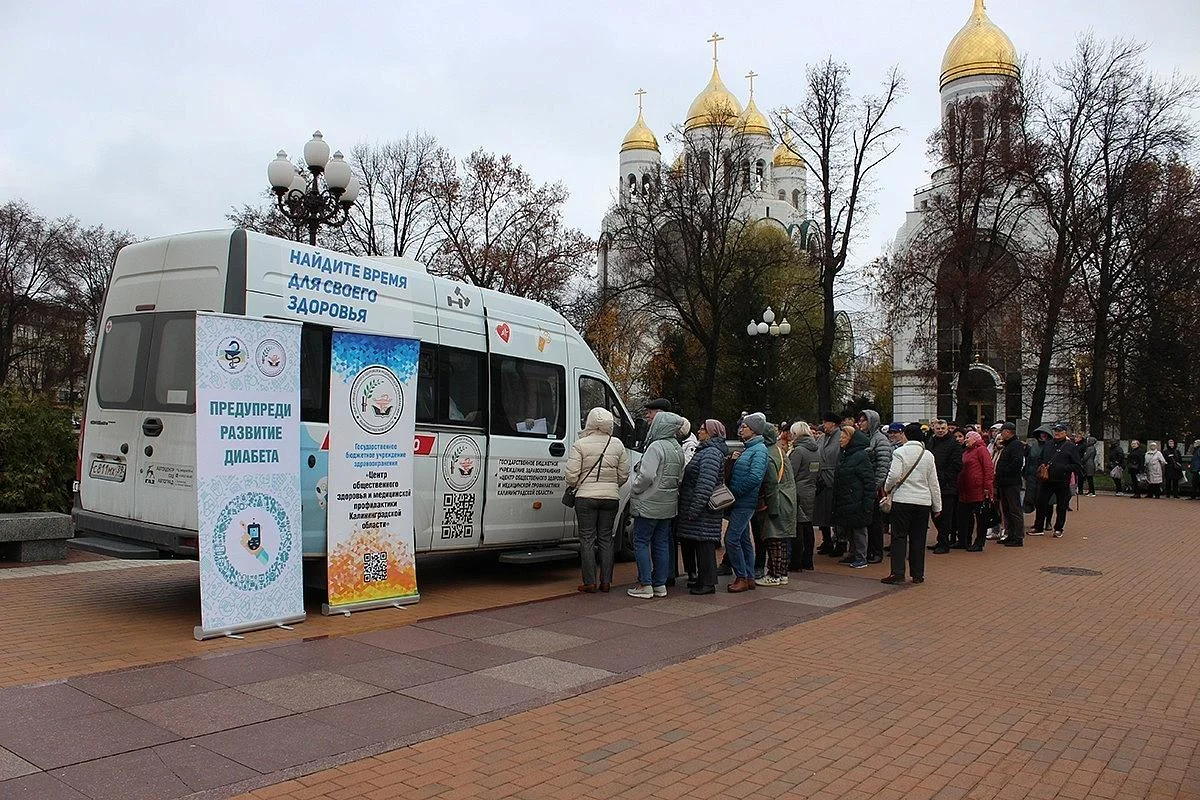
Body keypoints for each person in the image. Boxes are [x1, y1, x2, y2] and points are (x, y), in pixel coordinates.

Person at [565, 407, 630, 593]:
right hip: (610, 498)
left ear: (590, 422)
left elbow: (571, 475)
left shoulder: (580, 444)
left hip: (585, 497)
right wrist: (611, 485)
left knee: (587, 538)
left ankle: (590, 582)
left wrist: (577, 484)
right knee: (606, 538)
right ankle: (606, 582)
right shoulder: (617, 444)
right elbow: (623, 474)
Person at [627, 411, 684, 599]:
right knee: (661, 543)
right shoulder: (677, 448)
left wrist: (635, 489)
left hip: (649, 502)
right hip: (668, 504)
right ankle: (660, 584)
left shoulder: (656, 446)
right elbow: (680, 476)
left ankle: (645, 584)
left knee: (641, 542)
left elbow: (647, 475)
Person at [881, 422, 941, 585]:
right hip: (923, 501)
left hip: (902, 500)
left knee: (899, 537)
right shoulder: (928, 455)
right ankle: (918, 574)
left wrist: (887, 488)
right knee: (918, 538)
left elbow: (894, 475)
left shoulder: (900, 452)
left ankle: (898, 573)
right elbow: (933, 482)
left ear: (906, 435)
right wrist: (937, 506)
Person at [676, 420, 729, 595]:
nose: (699, 431)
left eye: (703, 429)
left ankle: (707, 582)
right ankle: (703, 580)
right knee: (701, 545)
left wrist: (694, 509)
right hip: (701, 509)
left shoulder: (711, 453)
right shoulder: (706, 450)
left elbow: (705, 484)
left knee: (705, 546)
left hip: (703, 511)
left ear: (712, 433)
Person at [726, 412, 769, 593]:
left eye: (744, 427)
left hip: (744, 501)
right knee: (743, 540)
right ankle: (748, 576)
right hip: (742, 500)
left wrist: (735, 491)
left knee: (731, 539)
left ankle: (742, 576)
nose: (740, 430)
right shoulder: (750, 448)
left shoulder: (759, 450)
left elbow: (755, 477)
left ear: (754, 430)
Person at [757, 424, 797, 586]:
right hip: (788, 499)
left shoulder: (768, 455)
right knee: (782, 540)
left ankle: (774, 574)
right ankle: (782, 573)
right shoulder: (778, 450)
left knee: (773, 540)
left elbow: (771, 484)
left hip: (778, 501)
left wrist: (772, 509)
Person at [833, 425, 875, 569]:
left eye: (844, 437)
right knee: (850, 527)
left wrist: (867, 501)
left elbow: (868, 480)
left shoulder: (860, 456)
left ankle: (861, 556)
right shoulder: (846, 454)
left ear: (851, 439)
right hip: (848, 498)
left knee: (858, 529)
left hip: (857, 498)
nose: (840, 439)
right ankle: (853, 553)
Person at [856, 410, 893, 564]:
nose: (861, 423)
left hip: (874, 487)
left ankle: (876, 551)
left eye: (864, 420)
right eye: (860, 420)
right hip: (863, 484)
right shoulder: (862, 437)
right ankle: (867, 549)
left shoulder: (880, 440)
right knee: (866, 519)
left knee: (875, 521)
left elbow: (883, 465)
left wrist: (875, 485)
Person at [1035, 423, 1083, 537]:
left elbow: (1077, 465)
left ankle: (1058, 528)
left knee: (1061, 506)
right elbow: (1040, 458)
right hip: (1047, 480)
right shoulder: (1048, 444)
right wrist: (1042, 465)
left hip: (1062, 480)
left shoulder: (1070, 447)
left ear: (1065, 432)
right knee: (1041, 503)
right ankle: (1038, 527)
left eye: (1059, 431)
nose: (1056, 433)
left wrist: (1062, 468)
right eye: (1055, 431)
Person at [927, 419, 963, 554]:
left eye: (943, 428)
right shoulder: (931, 441)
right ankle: (941, 539)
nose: (940, 431)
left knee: (945, 515)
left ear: (947, 429)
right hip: (932, 483)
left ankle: (944, 543)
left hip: (947, 485)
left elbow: (957, 465)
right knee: (934, 514)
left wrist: (943, 476)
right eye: (938, 428)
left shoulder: (953, 444)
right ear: (934, 429)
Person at [788, 421, 819, 571]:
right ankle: (808, 561)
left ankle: (796, 562)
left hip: (798, 490)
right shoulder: (815, 449)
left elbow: (791, 473)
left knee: (798, 528)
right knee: (808, 527)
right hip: (811, 489)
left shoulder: (798, 451)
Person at [956, 430, 995, 551]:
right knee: (963, 516)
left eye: (968, 437)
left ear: (975, 439)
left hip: (978, 490)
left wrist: (987, 487)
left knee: (981, 517)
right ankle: (963, 540)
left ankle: (979, 542)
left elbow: (988, 468)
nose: (965, 439)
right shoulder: (966, 451)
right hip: (965, 489)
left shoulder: (981, 450)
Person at [813, 412, 843, 557]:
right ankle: (827, 540)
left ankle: (840, 542)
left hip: (834, 478)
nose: (823, 425)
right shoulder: (822, 438)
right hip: (821, 479)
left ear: (833, 424)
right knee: (821, 512)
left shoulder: (840, 436)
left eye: (826, 422)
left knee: (835, 513)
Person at [995, 422, 1026, 546]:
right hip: (1004, 483)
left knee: (1014, 510)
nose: (1001, 434)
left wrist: (1004, 471)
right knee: (1007, 510)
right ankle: (1010, 534)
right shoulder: (1008, 445)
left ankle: (1018, 536)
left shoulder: (1016, 445)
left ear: (1008, 432)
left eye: (1002, 432)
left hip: (1011, 483)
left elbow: (1017, 463)